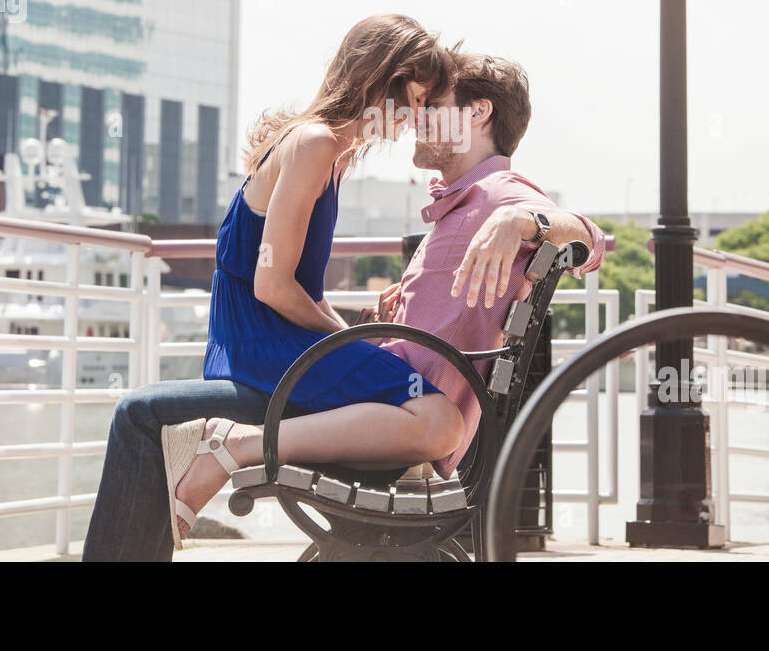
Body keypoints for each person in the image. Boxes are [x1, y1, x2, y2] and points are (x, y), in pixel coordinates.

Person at [81, 46, 604, 560]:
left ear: (477, 113)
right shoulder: (456, 206)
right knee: (144, 414)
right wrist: (386, 321)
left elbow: (592, 239)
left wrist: (524, 221)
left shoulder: (498, 196)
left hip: (384, 412)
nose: (416, 119)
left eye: (433, 105)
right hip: (369, 397)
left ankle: (227, 446)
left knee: (143, 416)